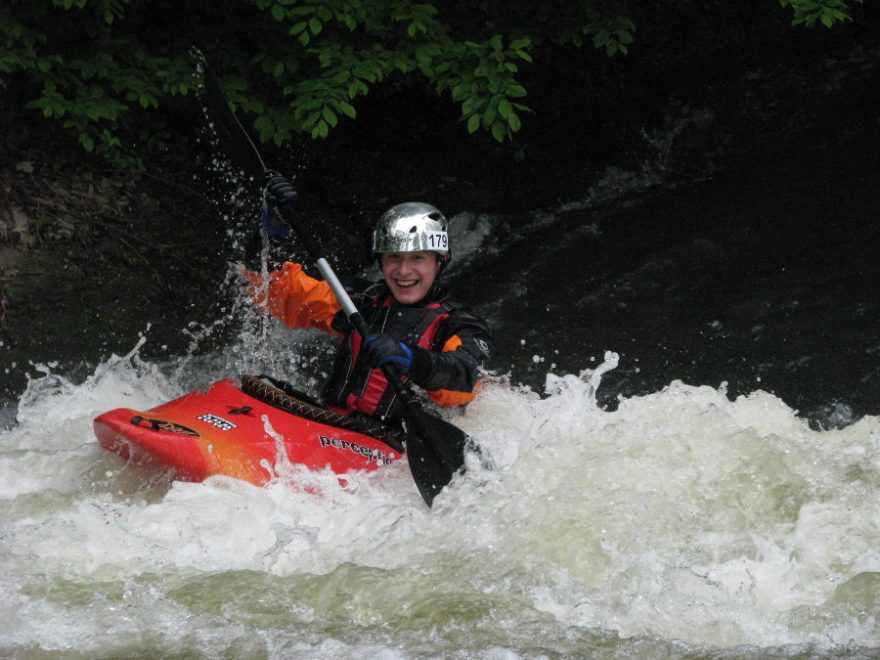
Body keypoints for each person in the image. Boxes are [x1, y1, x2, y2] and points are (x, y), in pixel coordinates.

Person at [243, 173, 492, 430]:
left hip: (393, 446)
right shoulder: (360, 303)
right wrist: (275, 230)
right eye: (393, 257)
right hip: (331, 424)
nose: (403, 271)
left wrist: (409, 358)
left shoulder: (460, 325)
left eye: (418, 258)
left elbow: (462, 378)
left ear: (441, 260)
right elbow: (273, 289)